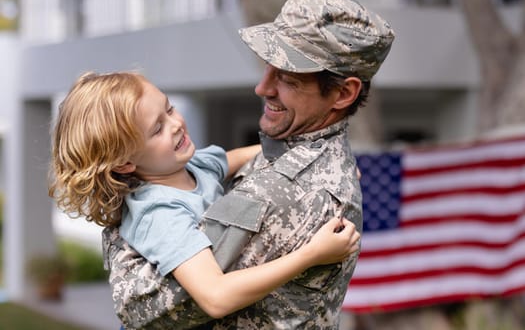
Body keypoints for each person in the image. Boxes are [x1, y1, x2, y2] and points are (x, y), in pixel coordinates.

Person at [103, 0, 395, 329]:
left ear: (343, 93)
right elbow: (227, 162)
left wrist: (117, 236)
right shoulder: (297, 155)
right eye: (268, 67)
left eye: (287, 78)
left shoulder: (286, 192)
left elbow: (145, 311)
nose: (263, 87)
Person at [49, 71, 360, 323]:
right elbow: (215, 297)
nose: (176, 124)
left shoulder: (191, 165)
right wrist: (312, 255)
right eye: (157, 129)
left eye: (169, 108)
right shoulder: (161, 214)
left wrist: (322, 165)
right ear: (126, 162)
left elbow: (236, 157)